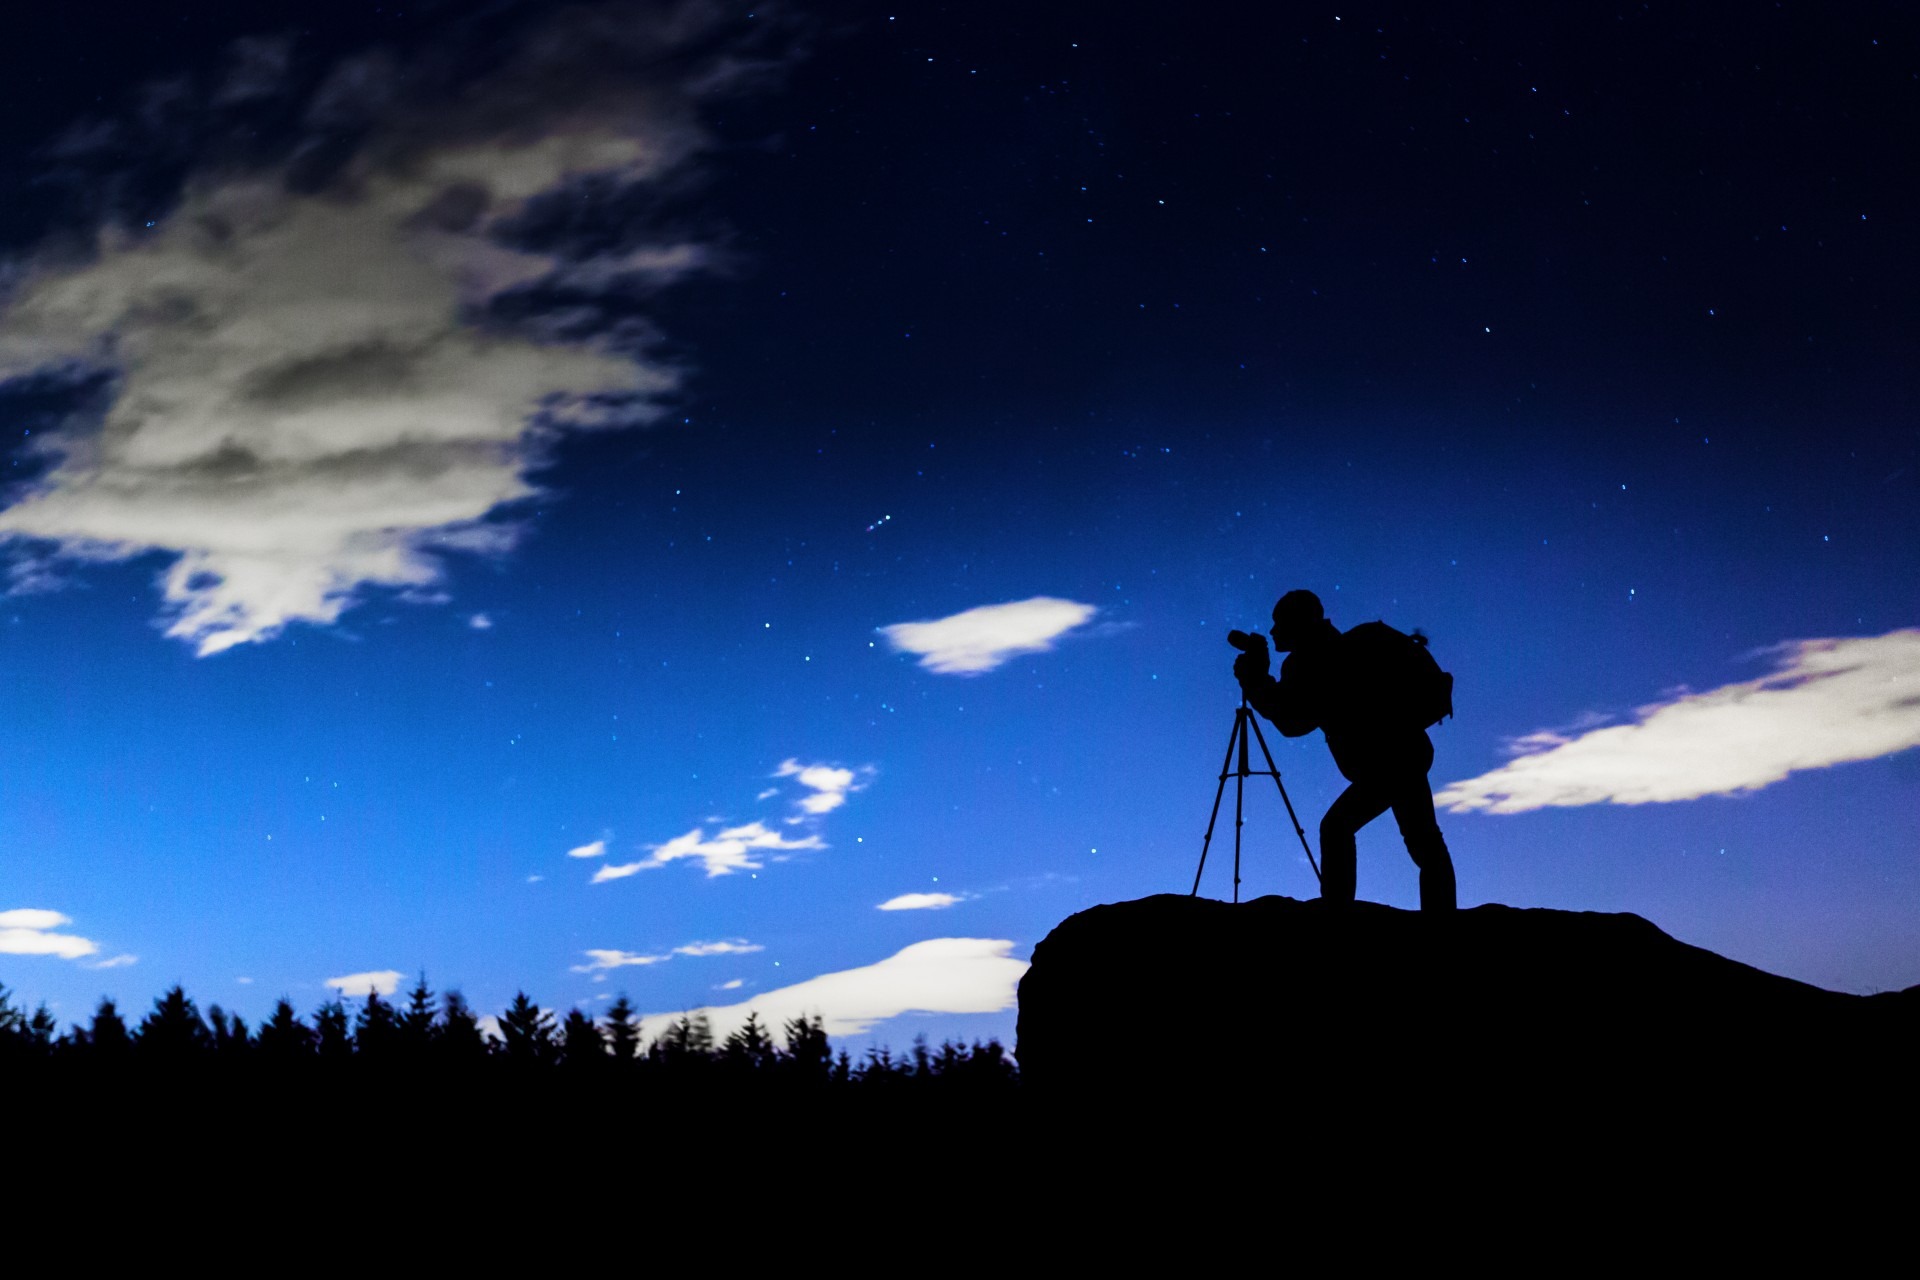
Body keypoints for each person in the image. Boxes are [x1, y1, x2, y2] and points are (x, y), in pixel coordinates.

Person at [1233, 589, 1457, 912]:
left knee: (1338, 828)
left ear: (1298, 623)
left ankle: (1338, 916)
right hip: (1406, 753)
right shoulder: (1339, 647)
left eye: (1279, 623)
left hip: (1389, 762)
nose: (1272, 631)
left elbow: (1291, 720)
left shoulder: (1313, 659)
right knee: (1424, 842)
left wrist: (1256, 682)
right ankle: (1442, 917)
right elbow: (1295, 711)